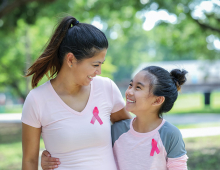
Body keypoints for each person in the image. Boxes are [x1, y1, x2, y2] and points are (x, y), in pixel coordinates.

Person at [21, 16, 131, 170]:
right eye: (95, 64)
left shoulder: (107, 88)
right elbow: (29, 161)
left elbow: (131, 132)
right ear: (71, 59)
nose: (99, 71)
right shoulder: (37, 100)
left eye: (101, 64)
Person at [42, 66, 189, 170]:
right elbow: (87, 152)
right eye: (131, 85)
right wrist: (50, 160)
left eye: (138, 87)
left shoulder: (170, 135)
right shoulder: (117, 130)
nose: (129, 92)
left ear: (157, 100)